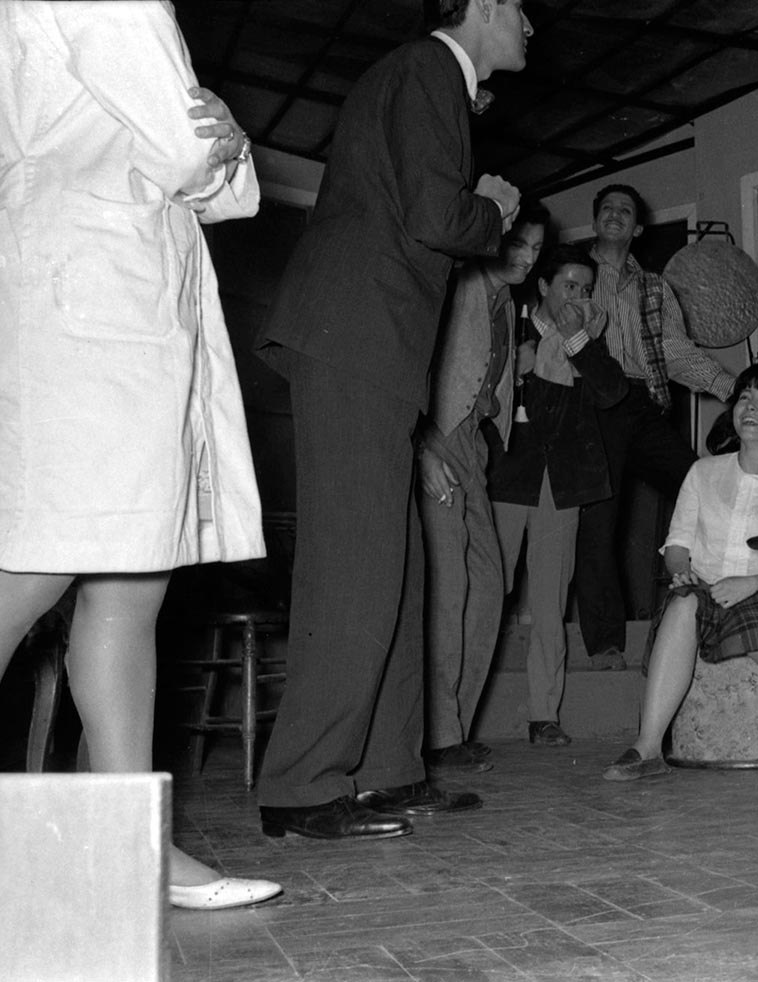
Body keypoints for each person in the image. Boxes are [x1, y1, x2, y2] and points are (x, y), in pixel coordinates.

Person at [0, 1, 279, 909]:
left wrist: (216, 148)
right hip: (88, 301)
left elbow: (204, 167)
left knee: (129, 581)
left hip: (112, 297)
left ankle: (132, 849)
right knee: (38, 566)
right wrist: (220, 144)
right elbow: (190, 151)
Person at [254, 0, 530, 840]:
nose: (530, 24)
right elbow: (434, 216)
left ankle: (386, 772)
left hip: (370, 346)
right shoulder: (427, 68)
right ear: (482, 3)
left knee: (397, 570)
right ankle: (302, 785)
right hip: (354, 340)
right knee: (355, 566)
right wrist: (494, 210)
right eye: (521, 7)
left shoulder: (428, 77)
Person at [603, 363, 758, 781]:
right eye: (744, 396)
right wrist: (682, 573)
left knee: (749, 620)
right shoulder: (703, 472)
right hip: (706, 591)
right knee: (682, 604)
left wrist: (752, 583)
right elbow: (678, 545)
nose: (750, 406)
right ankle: (648, 748)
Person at [575, 184, 739, 671]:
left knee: (698, 488)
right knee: (599, 523)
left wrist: (732, 388)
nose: (615, 215)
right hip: (591, 406)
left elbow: (675, 351)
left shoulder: (654, 287)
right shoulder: (575, 275)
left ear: (638, 227)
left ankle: (723, 608)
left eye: (625, 210)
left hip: (643, 405)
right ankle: (605, 645)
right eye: (607, 209)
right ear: (595, 221)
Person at [418, 204, 548, 774]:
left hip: (473, 445)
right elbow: (415, 363)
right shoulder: (458, 283)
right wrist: (422, 446)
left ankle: (455, 729)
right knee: (448, 589)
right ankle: (438, 736)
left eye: (536, 249)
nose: (526, 258)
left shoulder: (507, 303)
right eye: (517, 243)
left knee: (490, 587)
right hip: (438, 436)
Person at [488, 245, 628, 747]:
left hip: (562, 483)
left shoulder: (587, 341)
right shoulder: (511, 328)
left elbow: (612, 392)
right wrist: (513, 369)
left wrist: (577, 342)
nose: (579, 296)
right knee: (490, 590)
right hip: (508, 478)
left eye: (586, 288)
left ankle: (543, 715)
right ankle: (454, 716)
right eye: (570, 285)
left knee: (551, 603)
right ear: (544, 286)